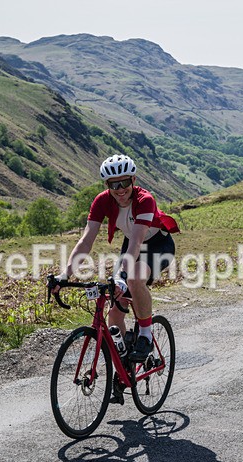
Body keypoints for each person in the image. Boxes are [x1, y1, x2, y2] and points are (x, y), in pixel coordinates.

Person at [52, 154, 179, 401]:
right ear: (106, 185)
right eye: (113, 184)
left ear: (133, 179)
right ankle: (123, 373)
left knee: (132, 279)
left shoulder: (145, 200)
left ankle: (145, 335)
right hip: (131, 245)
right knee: (114, 315)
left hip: (157, 245)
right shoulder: (102, 201)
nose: (119, 190)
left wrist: (122, 276)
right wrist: (64, 274)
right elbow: (86, 241)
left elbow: (138, 241)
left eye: (124, 183)